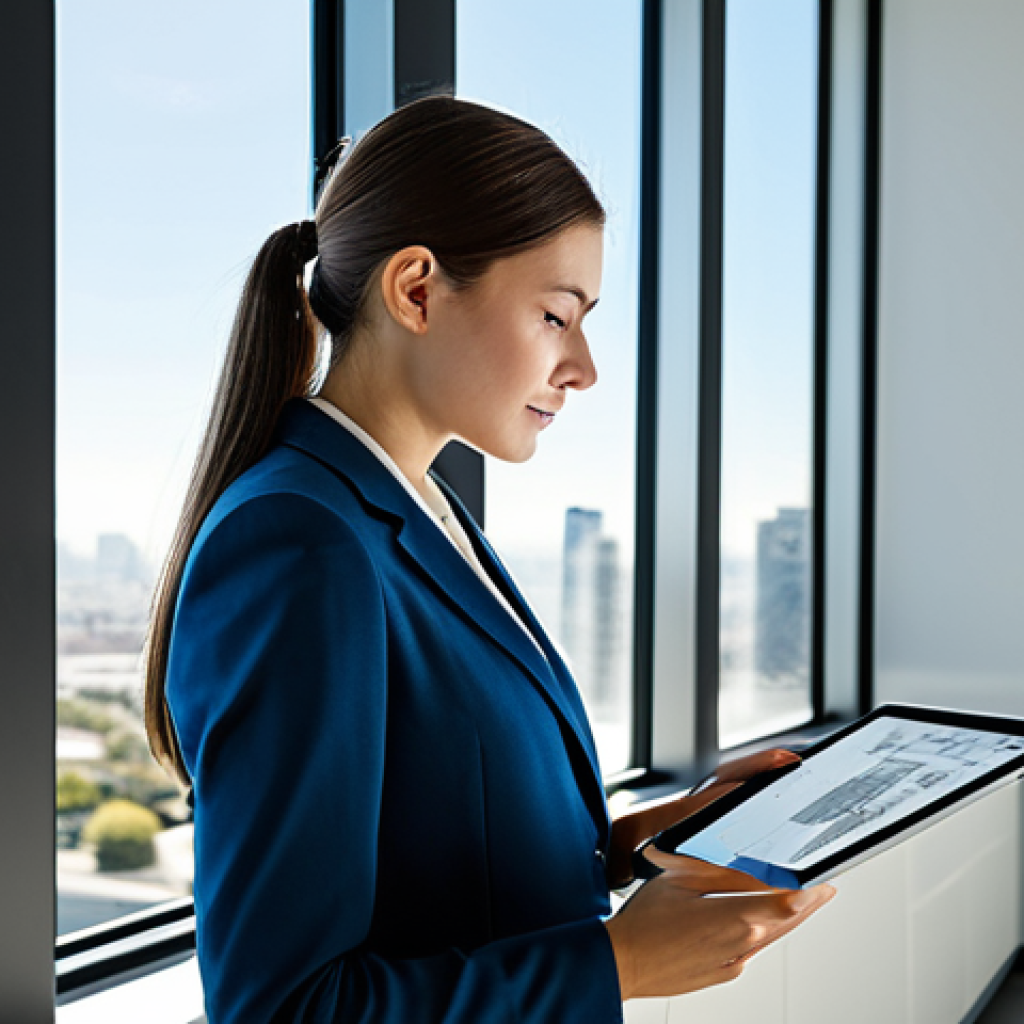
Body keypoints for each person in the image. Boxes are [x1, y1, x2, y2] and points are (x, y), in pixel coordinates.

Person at [144, 95, 834, 1024]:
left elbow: (441, 847)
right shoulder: (301, 543)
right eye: (557, 315)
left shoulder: (423, 508)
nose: (585, 366)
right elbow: (283, 1006)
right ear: (417, 289)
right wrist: (613, 963)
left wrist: (640, 841)